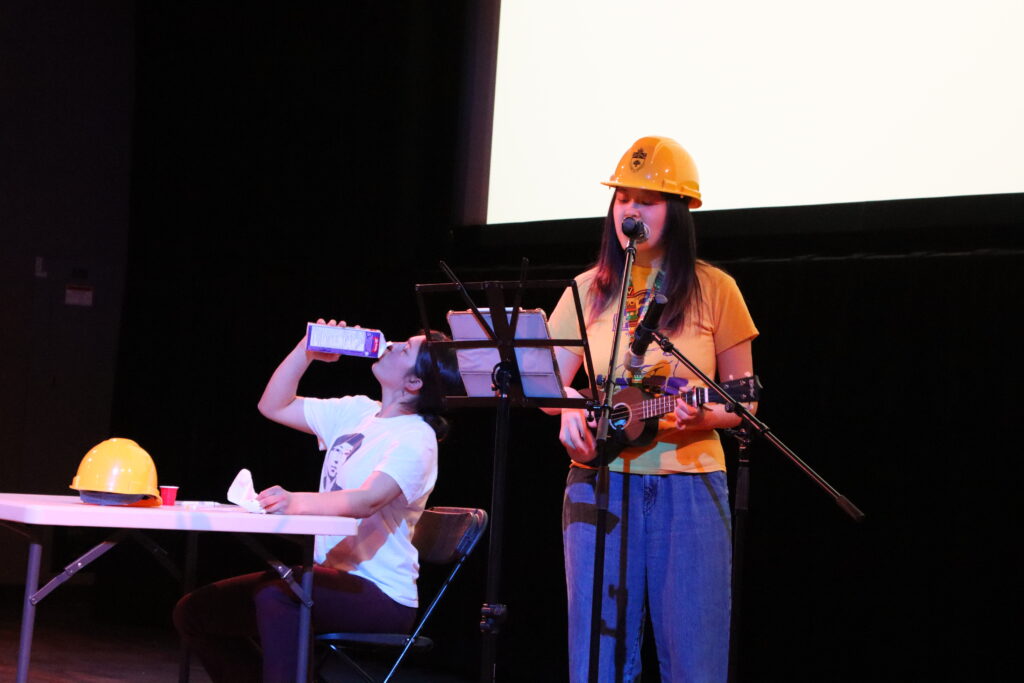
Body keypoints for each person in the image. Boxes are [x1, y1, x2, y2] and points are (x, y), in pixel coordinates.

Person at [546, 136, 759, 682]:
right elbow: (541, 380)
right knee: (596, 658)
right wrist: (568, 402)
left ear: (679, 211)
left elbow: (745, 397)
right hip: (596, 482)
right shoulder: (585, 290)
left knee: (694, 655)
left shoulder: (717, 289)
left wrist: (706, 415)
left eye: (648, 199)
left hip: (689, 485)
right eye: (623, 198)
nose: (631, 211)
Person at [173, 319, 463, 683]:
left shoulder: (416, 438)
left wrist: (296, 502)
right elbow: (273, 405)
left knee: (278, 598)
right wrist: (305, 352)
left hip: (380, 594)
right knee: (196, 612)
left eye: (406, 348)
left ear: (414, 383)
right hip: (325, 578)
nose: (393, 344)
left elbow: (367, 500)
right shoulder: (357, 411)